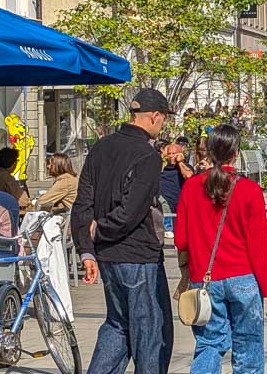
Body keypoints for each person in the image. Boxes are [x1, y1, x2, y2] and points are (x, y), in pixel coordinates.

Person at [71, 88, 174, 374]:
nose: (163, 125)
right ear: (154, 116)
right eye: (163, 118)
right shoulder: (148, 156)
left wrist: (86, 249)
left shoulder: (101, 147)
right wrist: (97, 232)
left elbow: (82, 204)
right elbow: (131, 212)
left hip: (107, 256)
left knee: (119, 326)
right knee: (150, 333)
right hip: (137, 254)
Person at [174, 124, 267, 373]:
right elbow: (258, 249)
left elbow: (181, 240)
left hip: (204, 280)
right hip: (243, 278)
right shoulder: (249, 190)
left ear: (209, 152)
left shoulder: (191, 187)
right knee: (248, 347)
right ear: (236, 152)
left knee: (209, 343)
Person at [159, 138, 193, 238]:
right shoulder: (163, 168)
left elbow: (188, 176)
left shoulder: (185, 167)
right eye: (169, 154)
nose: (171, 156)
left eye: (174, 153)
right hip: (165, 205)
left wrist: (180, 162)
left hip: (179, 204)